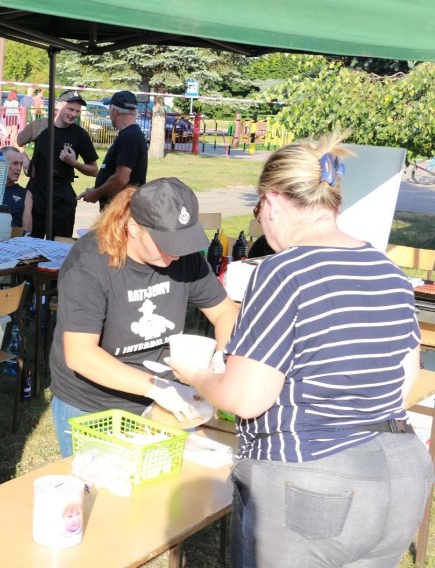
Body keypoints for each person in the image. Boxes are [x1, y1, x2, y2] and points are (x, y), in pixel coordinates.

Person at [168, 133, 434, 567]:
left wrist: (195, 373)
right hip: (399, 474)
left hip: (313, 476)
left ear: (272, 201)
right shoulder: (385, 267)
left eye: (258, 212)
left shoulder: (285, 270)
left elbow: (246, 399)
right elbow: (404, 377)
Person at [49, 178, 240, 457]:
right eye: (166, 243)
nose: (176, 253)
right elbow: (81, 355)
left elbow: (226, 312)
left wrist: (220, 359)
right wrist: (158, 388)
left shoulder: (183, 256)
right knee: (102, 495)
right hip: (94, 406)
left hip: (163, 400)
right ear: (133, 227)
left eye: (183, 241)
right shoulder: (90, 262)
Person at [17, 90, 99, 239]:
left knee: (59, 246)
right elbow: (17, 143)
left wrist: (74, 163)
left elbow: (94, 170)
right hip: (37, 193)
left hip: (62, 197)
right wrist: (25, 159)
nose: (74, 114)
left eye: (77, 111)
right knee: (31, 244)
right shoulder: (40, 125)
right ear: (59, 106)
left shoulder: (80, 135)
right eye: (70, 109)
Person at [81, 90, 148, 210]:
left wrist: (96, 193)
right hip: (119, 208)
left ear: (114, 111)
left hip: (120, 211)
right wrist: (96, 189)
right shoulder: (129, 134)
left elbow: (121, 179)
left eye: (109, 110)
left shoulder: (129, 137)